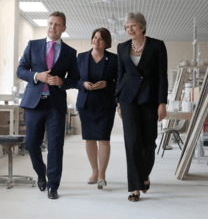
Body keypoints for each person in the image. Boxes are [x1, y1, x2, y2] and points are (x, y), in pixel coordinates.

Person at [17, 11, 78, 199]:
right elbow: (21, 70)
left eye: (57, 24)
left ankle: (53, 185)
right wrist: (37, 76)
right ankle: (41, 173)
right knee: (32, 144)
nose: (53, 27)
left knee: (55, 146)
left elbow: (76, 80)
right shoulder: (33, 45)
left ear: (64, 28)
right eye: (51, 23)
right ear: (47, 25)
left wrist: (61, 81)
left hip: (55, 105)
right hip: (34, 104)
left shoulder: (69, 52)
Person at [115, 12, 168, 202]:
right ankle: (134, 187)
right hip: (128, 99)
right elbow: (120, 77)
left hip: (149, 99)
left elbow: (162, 76)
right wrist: (118, 102)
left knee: (149, 141)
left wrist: (162, 103)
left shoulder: (157, 45)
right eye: (127, 27)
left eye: (133, 26)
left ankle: (144, 173)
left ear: (142, 27)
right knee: (132, 142)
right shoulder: (122, 48)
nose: (129, 30)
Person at [76, 28, 118, 189]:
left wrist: (107, 84)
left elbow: (120, 81)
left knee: (104, 138)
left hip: (106, 105)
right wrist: (83, 84)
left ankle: (102, 174)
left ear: (106, 42)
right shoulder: (81, 57)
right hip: (86, 104)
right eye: (95, 37)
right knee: (90, 138)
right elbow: (74, 80)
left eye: (100, 39)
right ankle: (94, 171)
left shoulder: (114, 59)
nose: (97, 41)